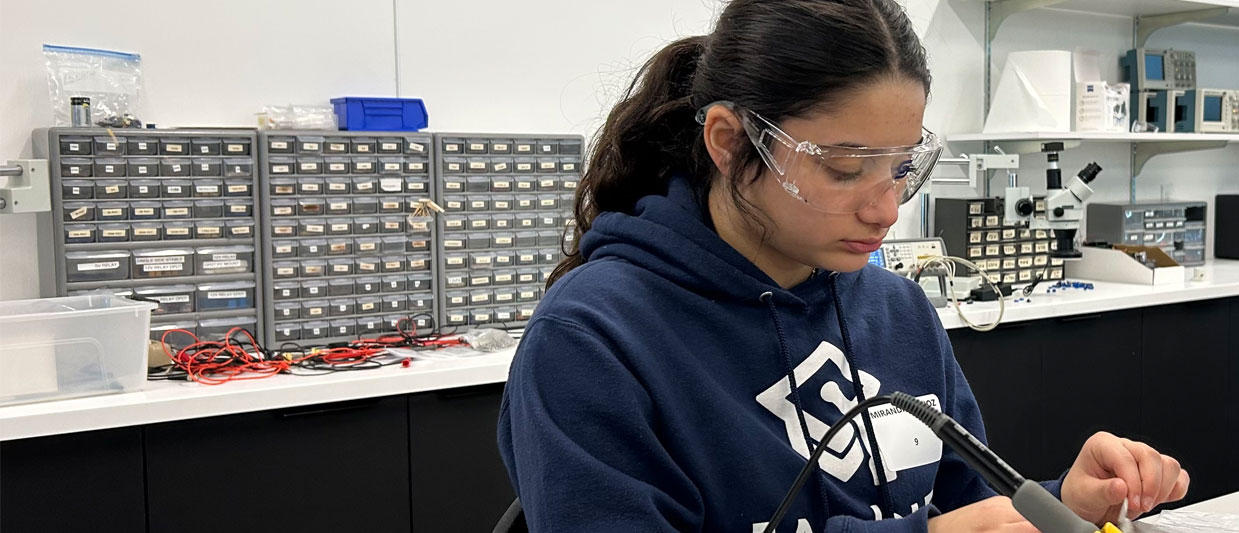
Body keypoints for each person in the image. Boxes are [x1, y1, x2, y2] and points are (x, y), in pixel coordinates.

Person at [497, 0, 1191, 530]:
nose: (884, 209)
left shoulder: (896, 310)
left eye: (900, 168)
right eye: (844, 168)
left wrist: (1056, 503)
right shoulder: (593, 338)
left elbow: (966, 507)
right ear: (730, 141)